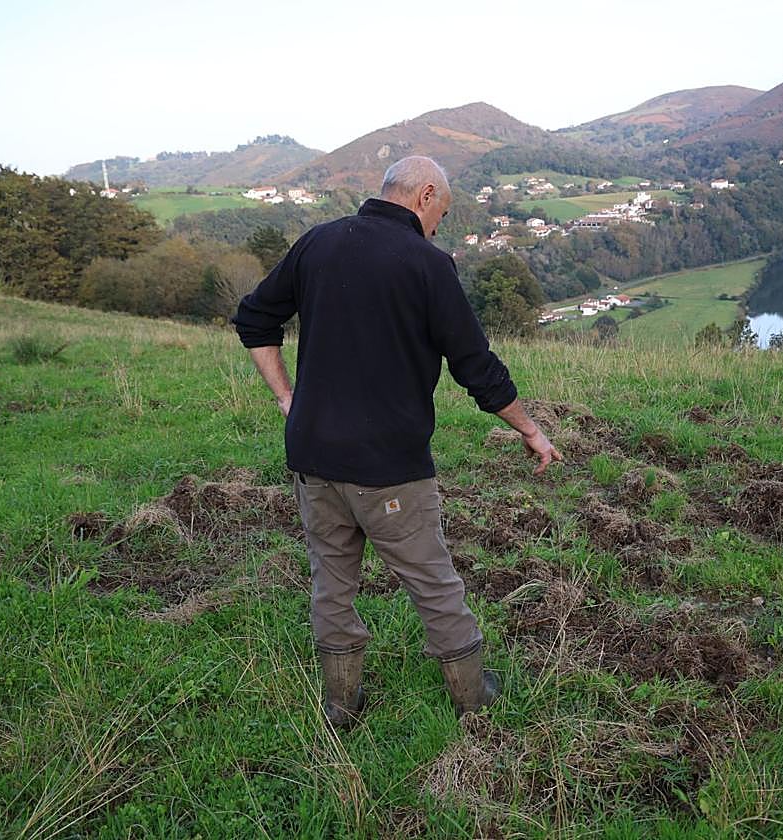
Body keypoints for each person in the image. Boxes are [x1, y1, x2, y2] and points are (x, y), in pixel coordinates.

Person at [232, 155, 562, 728]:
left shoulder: (317, 242)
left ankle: (341, 706)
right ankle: (472, 700)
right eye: (442, 213)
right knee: (433, 582)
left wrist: (289, 399)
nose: (439, 226)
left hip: (313, 457)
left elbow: (254, 319)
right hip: (389, 467)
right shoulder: (427, 263)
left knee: (331, 586)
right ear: (425, 194)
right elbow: (474, 364)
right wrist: (530, 429)